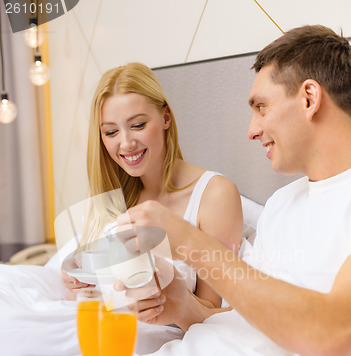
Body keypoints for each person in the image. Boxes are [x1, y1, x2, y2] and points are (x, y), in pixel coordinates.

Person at [116, 26, 351, 356]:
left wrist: (190, 243)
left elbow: (332, 336)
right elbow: (244, 322)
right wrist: (183, 308)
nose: (251, 130)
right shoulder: (283, 203)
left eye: (261, 107)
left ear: (309, 98)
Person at [61, 62, 243, 328]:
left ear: (166, 117)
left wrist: (170, 300)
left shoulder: (214, 196)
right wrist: (76, 283)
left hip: (154, 340)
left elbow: (209, 310)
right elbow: (90, 293)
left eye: (137, 125)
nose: (125, 143)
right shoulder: (108, 194)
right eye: (111, 132)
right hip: (96, 331)